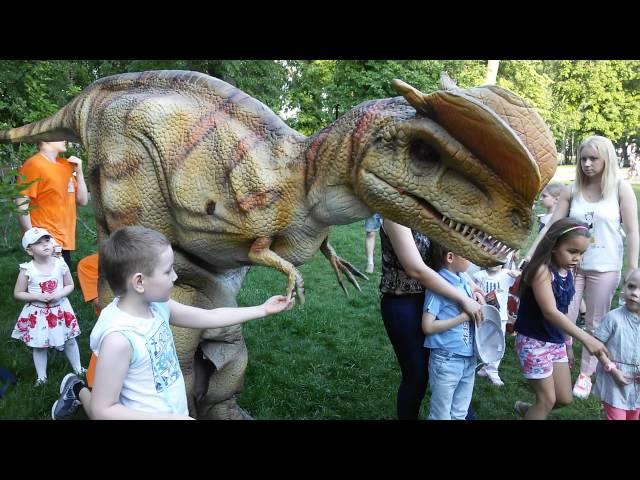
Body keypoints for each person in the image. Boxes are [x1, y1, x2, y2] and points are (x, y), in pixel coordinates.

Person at [51, 226, 295, 420]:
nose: (175, 277)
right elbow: (104, 411)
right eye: (168, 271)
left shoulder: (158, 306)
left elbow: (210, 317)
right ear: (139, 282)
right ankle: (77, 389)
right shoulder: (119, 339)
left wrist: (263, 309)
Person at [524, 136, 639, 399]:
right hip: (569, 267)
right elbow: (552, 226)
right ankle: (563, 356)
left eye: (593, 159)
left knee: (596, 323)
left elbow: (633, 232)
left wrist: (632, 269)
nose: (587, 164)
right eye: (583, 158)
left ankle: (587, 374)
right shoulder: (571, 190)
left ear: (607, 159)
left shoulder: (621, 189)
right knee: (565, 315)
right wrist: (530, 255)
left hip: (606, 267)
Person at [379, 219, 483, 420]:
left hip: (437, 294)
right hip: (403, 302)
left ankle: (460, 415)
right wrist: (461, 297)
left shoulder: (428, 207)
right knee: (416, 375)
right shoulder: (393, 215)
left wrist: (469, 283)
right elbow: (416, 269)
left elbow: (443, 256)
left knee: (447, 362)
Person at [513, 218, 609, 420]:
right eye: (572, 251)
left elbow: (562, 313)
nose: (577, 258)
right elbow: (550, 311)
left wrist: (567, 344)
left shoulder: (567, 272)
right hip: (533, 342)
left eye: (581, 253)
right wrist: (586, 338)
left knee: (564, 398)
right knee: (546, 399)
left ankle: (528, 411)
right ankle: (535, 411)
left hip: (555, 341)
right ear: (554, 245)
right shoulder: (542, 271)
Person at [11, 227, 84, 385]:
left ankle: (78, 368)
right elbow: (18, 293)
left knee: (70, 339)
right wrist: (37, 296)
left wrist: (59, 294)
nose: (45, 245)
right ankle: (42, 377)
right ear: (30, 251)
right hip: (39, 313)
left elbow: (70, 285)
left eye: (47, 240)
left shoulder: (60, 264)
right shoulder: (27, 270)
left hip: (60, 309)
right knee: (39, 346)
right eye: (38, 243)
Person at [421, 241, 477, 420]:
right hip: (447, 360)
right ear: (450, 257)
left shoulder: (462, 281)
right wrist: (463, 317)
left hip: (468, 359)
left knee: (460, 413)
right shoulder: (440, 286)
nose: (471, 257)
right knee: (441, 416)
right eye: (467, 253)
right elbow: (427, 326)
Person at [15, 141, 88, 270]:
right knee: (51, 284)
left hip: (64, 239)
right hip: (45, 241)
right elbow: (21, 203)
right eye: (60, 137)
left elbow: (82, 201)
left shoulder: (65, 165)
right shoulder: (34, 164)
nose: (65, 140)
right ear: (46, 140)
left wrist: (79, 172)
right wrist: (33, 238)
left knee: (61, 280)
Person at [591, 268, 640, 420]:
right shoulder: (613, 318)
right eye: (631, 286)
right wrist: (611, 369)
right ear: (624, 287)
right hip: (615, 380)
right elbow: (597, 346)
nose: (635, 293)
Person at [472, 262, 520, 386]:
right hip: (485, 316)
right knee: (483, 341)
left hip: (500, 317)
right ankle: (485, 365)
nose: (493, 263)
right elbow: (473, 292)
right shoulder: (480, 275)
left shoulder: (506, 274)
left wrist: (516, 274)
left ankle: (493, 370)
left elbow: (523, 279)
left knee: (498, 343)